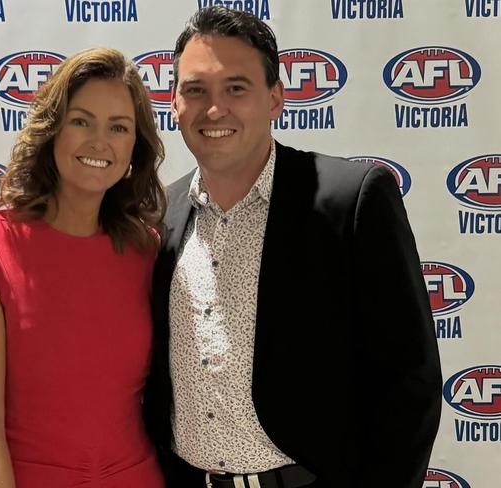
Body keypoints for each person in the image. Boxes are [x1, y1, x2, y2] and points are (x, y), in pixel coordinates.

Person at [142, 6, 442, 488]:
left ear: (276, 98)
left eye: (236, 88)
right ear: (174, 103)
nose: (213, 109)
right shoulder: (158, 213)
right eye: (195, 90)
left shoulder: (351, 198)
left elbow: (410, 382)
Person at [0, 47, 166, 488]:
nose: (99, 142)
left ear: (133, 147)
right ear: (52, 130)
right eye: (81, 121)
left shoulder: (148, 250)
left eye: (118, 127)